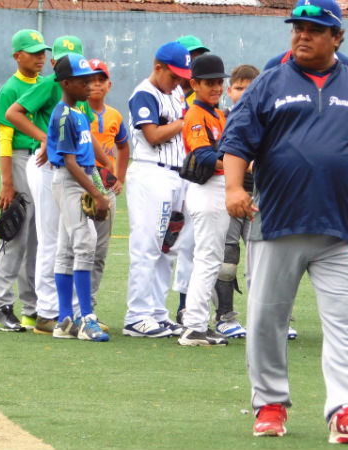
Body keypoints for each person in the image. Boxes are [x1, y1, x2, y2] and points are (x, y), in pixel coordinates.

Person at [220, 0, 348, 442]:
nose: (302, 35)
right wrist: (234, 188)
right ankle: (269, 405)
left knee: (345, 321)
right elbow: (238, 140)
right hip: (276, 224)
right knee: (267, 319)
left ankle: (346, 410)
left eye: (314, 28)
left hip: (340, 228)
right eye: (298, 28)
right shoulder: (269, 84)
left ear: (338, 36)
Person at [5, 35, 114, 335]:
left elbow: (87, 133)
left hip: (73, 169)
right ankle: (49, 312)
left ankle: (72, 313)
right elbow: (12, 113)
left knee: (69, 240)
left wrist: (107, 164)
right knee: (52, 238)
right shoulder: (53, 86)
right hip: (52, 169)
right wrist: (46, 139)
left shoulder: (78, 100)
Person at [123, 41, 192, 338]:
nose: (177, 81)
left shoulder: (176, 93)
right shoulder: (144, 93)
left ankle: (157, 313)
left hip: (178, 175)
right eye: (173, 75)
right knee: (147, 246)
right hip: (151, 174)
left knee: (168, 249)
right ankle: (136, 316)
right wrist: (183, 122)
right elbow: (152, 135)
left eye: (181, 77)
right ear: (158, 67)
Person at [0, 29, 50, 332]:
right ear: (17, 56)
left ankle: (32, 307)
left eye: (43, 51)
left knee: (38, 236)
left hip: (41, 160)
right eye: (34, 51)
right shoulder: (9, 89)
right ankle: (0, 305)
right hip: (17, 157)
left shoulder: (44, 85)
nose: (42, 57)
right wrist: (6, 182)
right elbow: (4, 136)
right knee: (14, 232)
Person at [47, 53, 109, 341]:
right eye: (84, 80)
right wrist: (96, 194)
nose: (90, 84)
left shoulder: (79, 111)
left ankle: (64, 320)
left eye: (93, 79)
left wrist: (100, 179)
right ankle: (87, 319)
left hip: (80, 178)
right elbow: (70, 161)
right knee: (85, 243)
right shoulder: (63, 115)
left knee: (66, 248)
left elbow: (85, 158)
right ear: (67, 82)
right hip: (70, 181)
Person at [176, 54, 230, 347]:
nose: (216, 87)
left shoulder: (216, 114)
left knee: (209, 258)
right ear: (194, 84)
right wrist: (236, 164)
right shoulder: (196, 114)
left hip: (215, 189)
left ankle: (197, 322)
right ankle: (194, 326)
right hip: (207, 190)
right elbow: (204, 155)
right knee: (207, 259)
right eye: (209, 83)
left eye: (219, 82)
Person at [212, 64, 260, 339]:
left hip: (260, 196)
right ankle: (225, 316)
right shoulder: (223, 118)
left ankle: (269, 318)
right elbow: (223, 153)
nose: (244, 93)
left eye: (250, 88)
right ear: (229, 91)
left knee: (265, 259)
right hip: (230, 195)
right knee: (228, 258)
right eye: (239, 88)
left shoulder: (268, 120)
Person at [86, 58, 130, 307]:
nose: (95, 84)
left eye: (100, 79)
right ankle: (66, 305)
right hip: (80, 183)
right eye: (90, 79)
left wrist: (120, 178)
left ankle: (88, 304)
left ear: (109, 84)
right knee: (78, 247)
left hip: (105, 185)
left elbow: (123, 146)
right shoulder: (78, 111)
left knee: (100, 251)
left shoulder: (113, 115)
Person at [172, 35, 210, 323]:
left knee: (192, 242)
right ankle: (149, 310)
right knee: (167, 243)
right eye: (190, 56)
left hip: (195, 175)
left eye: (198, 56)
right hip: (168, 173)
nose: (194, 61)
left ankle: (187, 305)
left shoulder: (206, 99)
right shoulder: (169, 94)